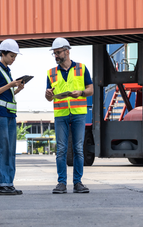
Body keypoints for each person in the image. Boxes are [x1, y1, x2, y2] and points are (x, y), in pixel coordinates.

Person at [45, 37, 93, 194]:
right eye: (54, 53)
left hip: (78, 113)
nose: (56, 56)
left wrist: (81, 92)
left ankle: (78, 183)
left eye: (58, 52)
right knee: (61, 149)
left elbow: (90, 90)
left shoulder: (81, 68)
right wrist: (48, 94)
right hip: (61, 114)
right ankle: (61, 183)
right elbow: (49, 97)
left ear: (67, 51)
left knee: (78, 148)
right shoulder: (51, 73)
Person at [0, 39, 26, 196]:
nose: (13, 59)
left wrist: (18, 89)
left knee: (9, 150)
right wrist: (10, 85)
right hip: (0, 115)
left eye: (15, 56)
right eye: (11, 56)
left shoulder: (7, 71)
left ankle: (8, 183)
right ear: (2, 53)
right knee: (0, 150)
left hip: (9, 115)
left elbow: (6, 96)